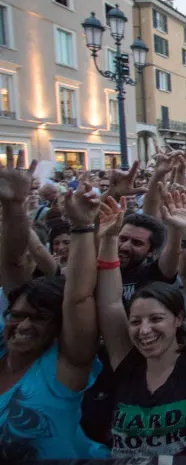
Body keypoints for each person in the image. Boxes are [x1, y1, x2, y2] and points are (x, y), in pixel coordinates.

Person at [96, 190, 186, 457]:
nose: (144, 330)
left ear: (179, 319)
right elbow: (110, 303)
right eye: (135, 321)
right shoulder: (125, 360)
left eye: (156, 319)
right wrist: (108, 240)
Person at [0, 163, 107, 460]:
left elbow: (79, 297)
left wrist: (84, 227)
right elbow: (11, 265)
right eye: (17, 315)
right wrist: (13, 205)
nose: (22, 325)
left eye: (38, 319)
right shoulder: (2, 346)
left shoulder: (63, 364)